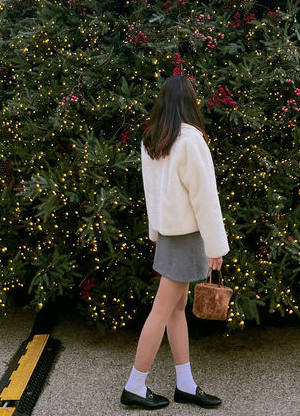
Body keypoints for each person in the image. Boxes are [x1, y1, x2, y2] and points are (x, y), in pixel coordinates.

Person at [121, 76, 229, 411]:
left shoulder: (154, 137)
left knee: (175, 309)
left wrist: (157, 231)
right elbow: (204, 197)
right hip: (185, 236)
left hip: (169, 234)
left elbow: (152, 192)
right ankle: (135, 385)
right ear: (190, 101)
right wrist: (217, 247)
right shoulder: (190, 140)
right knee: (163, 310)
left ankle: (185, 384)